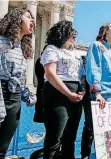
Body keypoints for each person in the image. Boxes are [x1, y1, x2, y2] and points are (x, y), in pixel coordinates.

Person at [41, 20, 85, 159]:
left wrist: (82, 90)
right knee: (55, 137)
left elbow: (82, 74)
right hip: (58, 95)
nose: (74, 37)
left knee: (70, 138)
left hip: (76, 95)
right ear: (63, 33)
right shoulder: (51, 49)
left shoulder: (75, 54)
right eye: (72, 34)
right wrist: (68, 93)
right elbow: (50, 73)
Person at [0, 8, 34, 158]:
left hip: (14, 97)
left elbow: (20, 78)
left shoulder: (23, 47)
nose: (32, 20)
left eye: (32, 18)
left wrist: (27, 95)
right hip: (1, 91)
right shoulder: (1, 41)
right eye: (28, 17)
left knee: (3, 144)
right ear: (16, 20)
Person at [80, 55, 94, 159]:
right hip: (90, 97)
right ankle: (85, 155)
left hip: (104, 96)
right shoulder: (86, 60)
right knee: (89, 126)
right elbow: (83, 78)